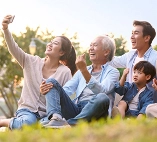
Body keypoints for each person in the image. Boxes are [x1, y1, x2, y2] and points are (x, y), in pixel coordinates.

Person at [0, 15, 77, 130]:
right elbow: (13, 48)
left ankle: (21, 125)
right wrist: (5, 29)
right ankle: (4, 122)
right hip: (27, 111)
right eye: (50, 42)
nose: (50, 44)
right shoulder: (31, 61)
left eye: (55, 43)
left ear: (61, 52)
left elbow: (66, 97)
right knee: (27, 124)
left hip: (47, 115)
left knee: (45, 126)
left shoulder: (65, 72)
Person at [39, 35, 120, 128]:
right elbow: (66, 89)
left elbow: (102, 91)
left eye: (95, 45)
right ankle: (56, 118)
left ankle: (69, 124)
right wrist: (51, 90)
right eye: (90, 45)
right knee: (51, 82)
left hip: (97, 110)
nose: (91, 49)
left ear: (106, 52)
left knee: (102, 97)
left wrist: (84, 71)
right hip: (77, 108)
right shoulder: (81, 72)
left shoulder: (113, 72)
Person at [108, 20, 157, 103]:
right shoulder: (130, 56)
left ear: (147, 38)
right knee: (108, 92)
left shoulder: (155, 57)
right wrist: (105, 44)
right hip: (128, 99)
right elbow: (111, 62)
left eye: (136, 33)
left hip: (146, 102)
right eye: (132, 33)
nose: (132, 36)